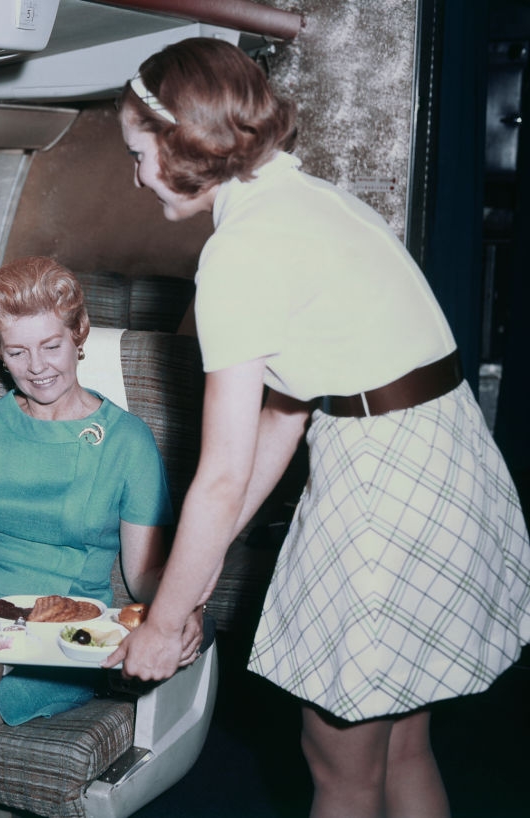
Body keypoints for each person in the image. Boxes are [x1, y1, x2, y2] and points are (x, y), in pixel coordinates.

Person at [103, 37, 530, 818]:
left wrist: (163, 626)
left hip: (381, 483)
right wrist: (195, 577)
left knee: (338, 763)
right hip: (441, 457)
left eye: (138, 154)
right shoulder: (309, 202)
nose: (135, 177)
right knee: (402, 743)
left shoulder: (239, 252)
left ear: (180, 143)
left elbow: (223, 472)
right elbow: (287, 410)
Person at [0, 256, 188, 729]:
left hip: (66, 642)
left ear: (78, 335)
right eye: (17, 351)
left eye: (51, 346)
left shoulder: (127, 440)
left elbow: (143, 574)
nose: (37, 367)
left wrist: (184, 606)